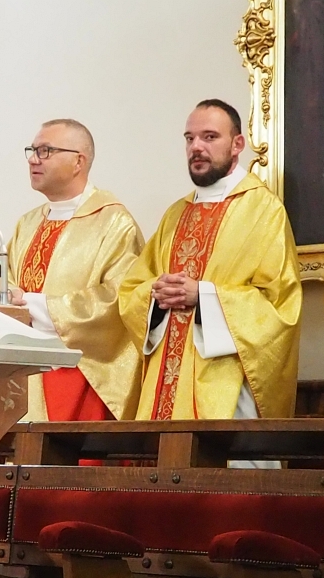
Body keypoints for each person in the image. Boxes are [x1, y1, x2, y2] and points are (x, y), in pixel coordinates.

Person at [118, 99, 302, 420]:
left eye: (210, 137)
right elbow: (132, 289)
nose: (196, 147)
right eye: (189, 139)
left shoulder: (263, 209)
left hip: (225, 385)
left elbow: (279, 305)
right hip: (164, 383)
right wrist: (156, 294)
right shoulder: (175, 214)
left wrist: (202, 296)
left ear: (237, 144)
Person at [0, 119, 143, 420]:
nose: (34, 159)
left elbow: (121, 297)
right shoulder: (29, 222)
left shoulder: (114, 222)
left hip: (80, 377)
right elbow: (2, 281)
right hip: (25, 373)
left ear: (78, 161)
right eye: (33, 150)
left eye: (46, 151)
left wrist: (35, 306)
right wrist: (5, 295)